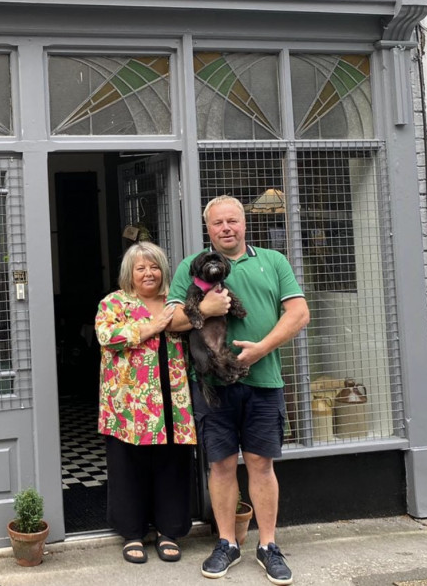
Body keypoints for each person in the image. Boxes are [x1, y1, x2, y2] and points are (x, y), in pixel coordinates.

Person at [167, 195, 310, 586]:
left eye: (232, 221)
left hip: (263, 381)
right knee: (221, 465)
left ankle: (268, 546)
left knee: (262, 465)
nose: (226, 228)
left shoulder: (273, 261)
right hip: (213, 386)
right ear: (208, 229)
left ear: (244, 224)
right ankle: (227, 543)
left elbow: (299, 313)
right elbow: (172, 320)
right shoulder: (191, 267)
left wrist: (261, 349)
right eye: (217, 223)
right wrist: (208, 310)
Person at [95, 241, 196, 565]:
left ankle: (170, 531)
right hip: (128, 405)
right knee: (129, 467)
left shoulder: (175, 303)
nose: (148, 273)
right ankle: (132, 533)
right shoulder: (114, 303)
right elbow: (106, 336)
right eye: (141, 268)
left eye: (154, 267)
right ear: (130, 273)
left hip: (172, 400)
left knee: (171, 467)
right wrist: (151, 327)